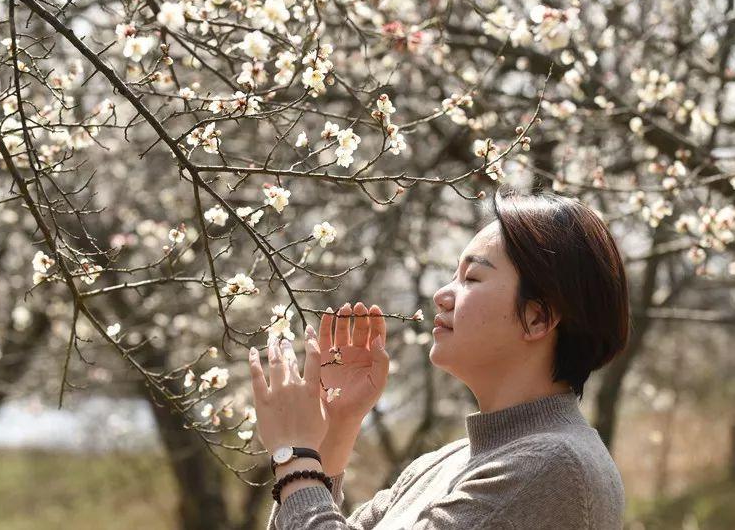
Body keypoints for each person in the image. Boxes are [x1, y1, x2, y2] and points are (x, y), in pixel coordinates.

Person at [248, 188, 630, 529]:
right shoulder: (441, 465)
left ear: (537, 318)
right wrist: (338, 425)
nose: (442, 295)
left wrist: (294, 456)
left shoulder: (551, 466)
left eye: (472, 278)